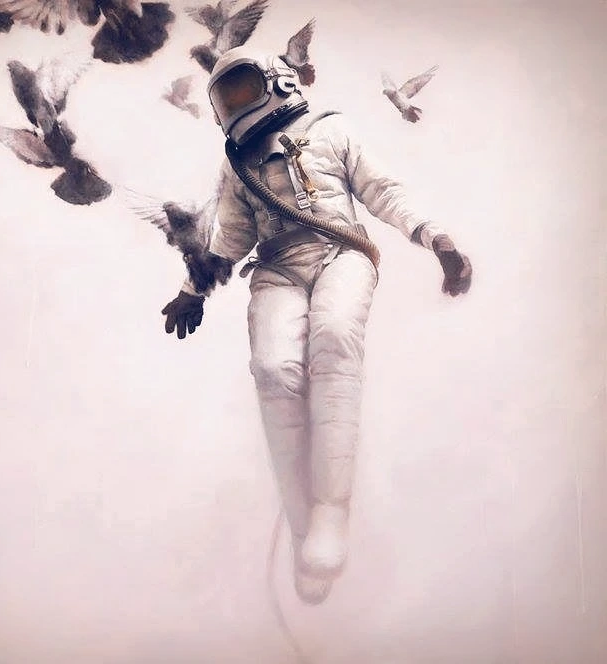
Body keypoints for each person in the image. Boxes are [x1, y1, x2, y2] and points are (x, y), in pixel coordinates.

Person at [160, 47, 472, 605]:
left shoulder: (332, 130)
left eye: (243, 90)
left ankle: (331, 513)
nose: (237, 106)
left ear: (277, 81)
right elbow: (230, 238)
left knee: (333, 340)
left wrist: (436, 239)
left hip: (340, 252)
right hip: (277, 268)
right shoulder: (237, 165)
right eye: (226, 99)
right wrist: (192, 291)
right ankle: (304, 529)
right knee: (272, 368)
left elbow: (383, 192)